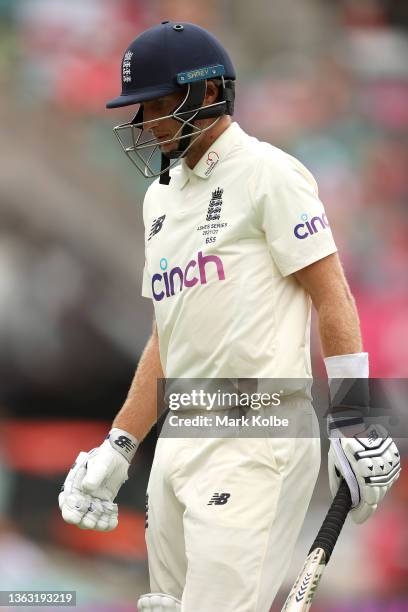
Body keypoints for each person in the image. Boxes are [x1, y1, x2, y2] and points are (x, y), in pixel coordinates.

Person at [58, 21, 401, 612]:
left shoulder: (271, 173)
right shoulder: (159, 199)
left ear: (209, 94)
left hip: (258, 431)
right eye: (141, 109)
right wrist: (119, 444)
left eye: (160, 105)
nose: (147, 123)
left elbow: (333, 296)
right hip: (180, 430)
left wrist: (355, 415)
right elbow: (168, 332)